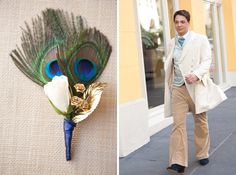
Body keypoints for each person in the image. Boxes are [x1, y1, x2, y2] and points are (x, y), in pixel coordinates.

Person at [164, 10, 227, 175]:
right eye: (176, 22)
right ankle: (178, 162)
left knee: (200, 123)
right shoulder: (171, 43)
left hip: (196, 87)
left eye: (182, 22)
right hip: (178, 89)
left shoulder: (200, 39)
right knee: (177, 125)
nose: (179, 25)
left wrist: (196, 74)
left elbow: (207, 60)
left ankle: (202, 153)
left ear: (188, 22)